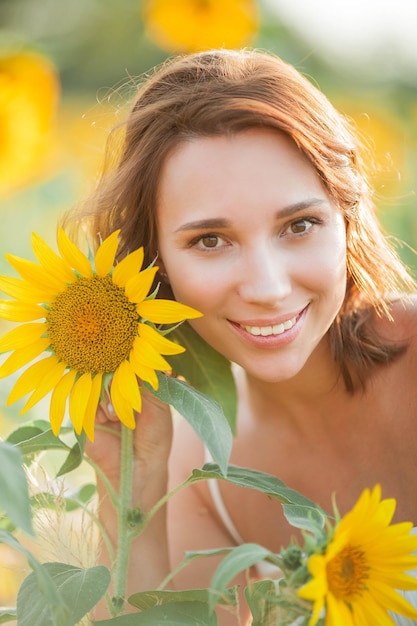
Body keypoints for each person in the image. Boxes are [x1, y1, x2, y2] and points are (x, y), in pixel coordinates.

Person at [72, 49, 417, 625]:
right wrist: (127, 497)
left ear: (347, 219)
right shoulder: (194, 471)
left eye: (299, 225)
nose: (268, 287)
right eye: (210, 240)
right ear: (151, 263)